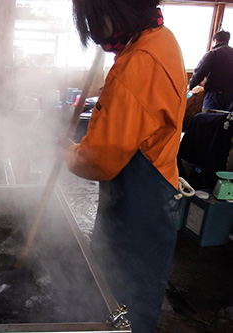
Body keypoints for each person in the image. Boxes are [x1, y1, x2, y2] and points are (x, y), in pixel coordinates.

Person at [66, 1, 187, 332]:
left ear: (114, 11)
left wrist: (67, 152)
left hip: (138, 211)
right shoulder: (161, 39)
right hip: (154, 191)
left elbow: (99, 160)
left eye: (94, 20)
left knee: (123, 301)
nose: (95, 32)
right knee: (126, 291)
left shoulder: (136, 65)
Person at [188, 30, 233, 111]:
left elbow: (200, 72)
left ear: (215, 41)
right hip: (230, 96)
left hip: (215, 95)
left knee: (207, 120)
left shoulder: (213, 54)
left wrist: (191, 85)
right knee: (222, 120)